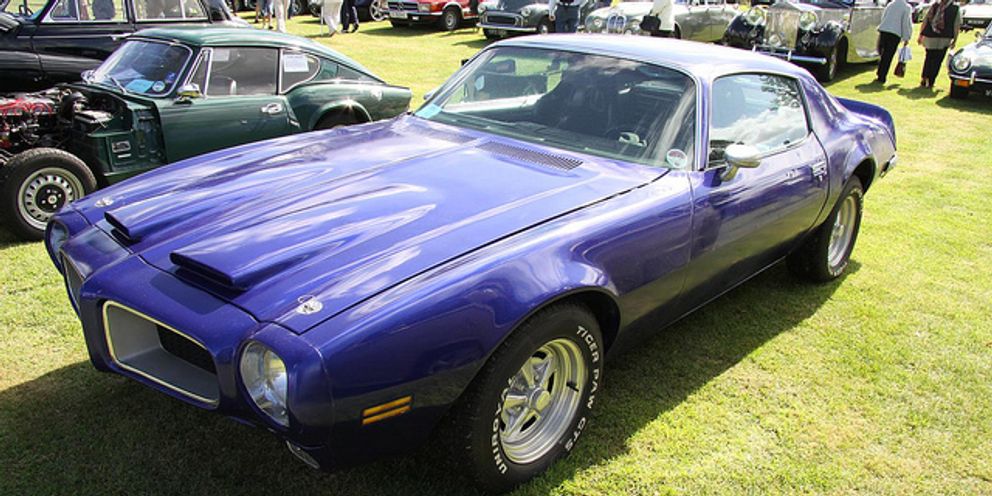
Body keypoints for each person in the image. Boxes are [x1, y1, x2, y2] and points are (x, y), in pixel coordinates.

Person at [918, 0, 961, 88]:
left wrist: (921, 34)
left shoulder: (934, 5)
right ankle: (931, 81)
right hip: (944, 38)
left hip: (930, 36)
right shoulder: (955, 8)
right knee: (937, 60)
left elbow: (925, 20)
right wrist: (955, 40)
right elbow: (956, 25)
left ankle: (924, 78)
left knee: (929, 58)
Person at [875, 0, 913, 83]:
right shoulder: (906, 7)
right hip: (895, 33)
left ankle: (880, 73)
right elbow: (906, 23)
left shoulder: (890, 4)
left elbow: (884, 17)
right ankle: (882, 76)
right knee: (888, 55)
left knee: (883, 53)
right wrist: (907, 37)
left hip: (884, 30)